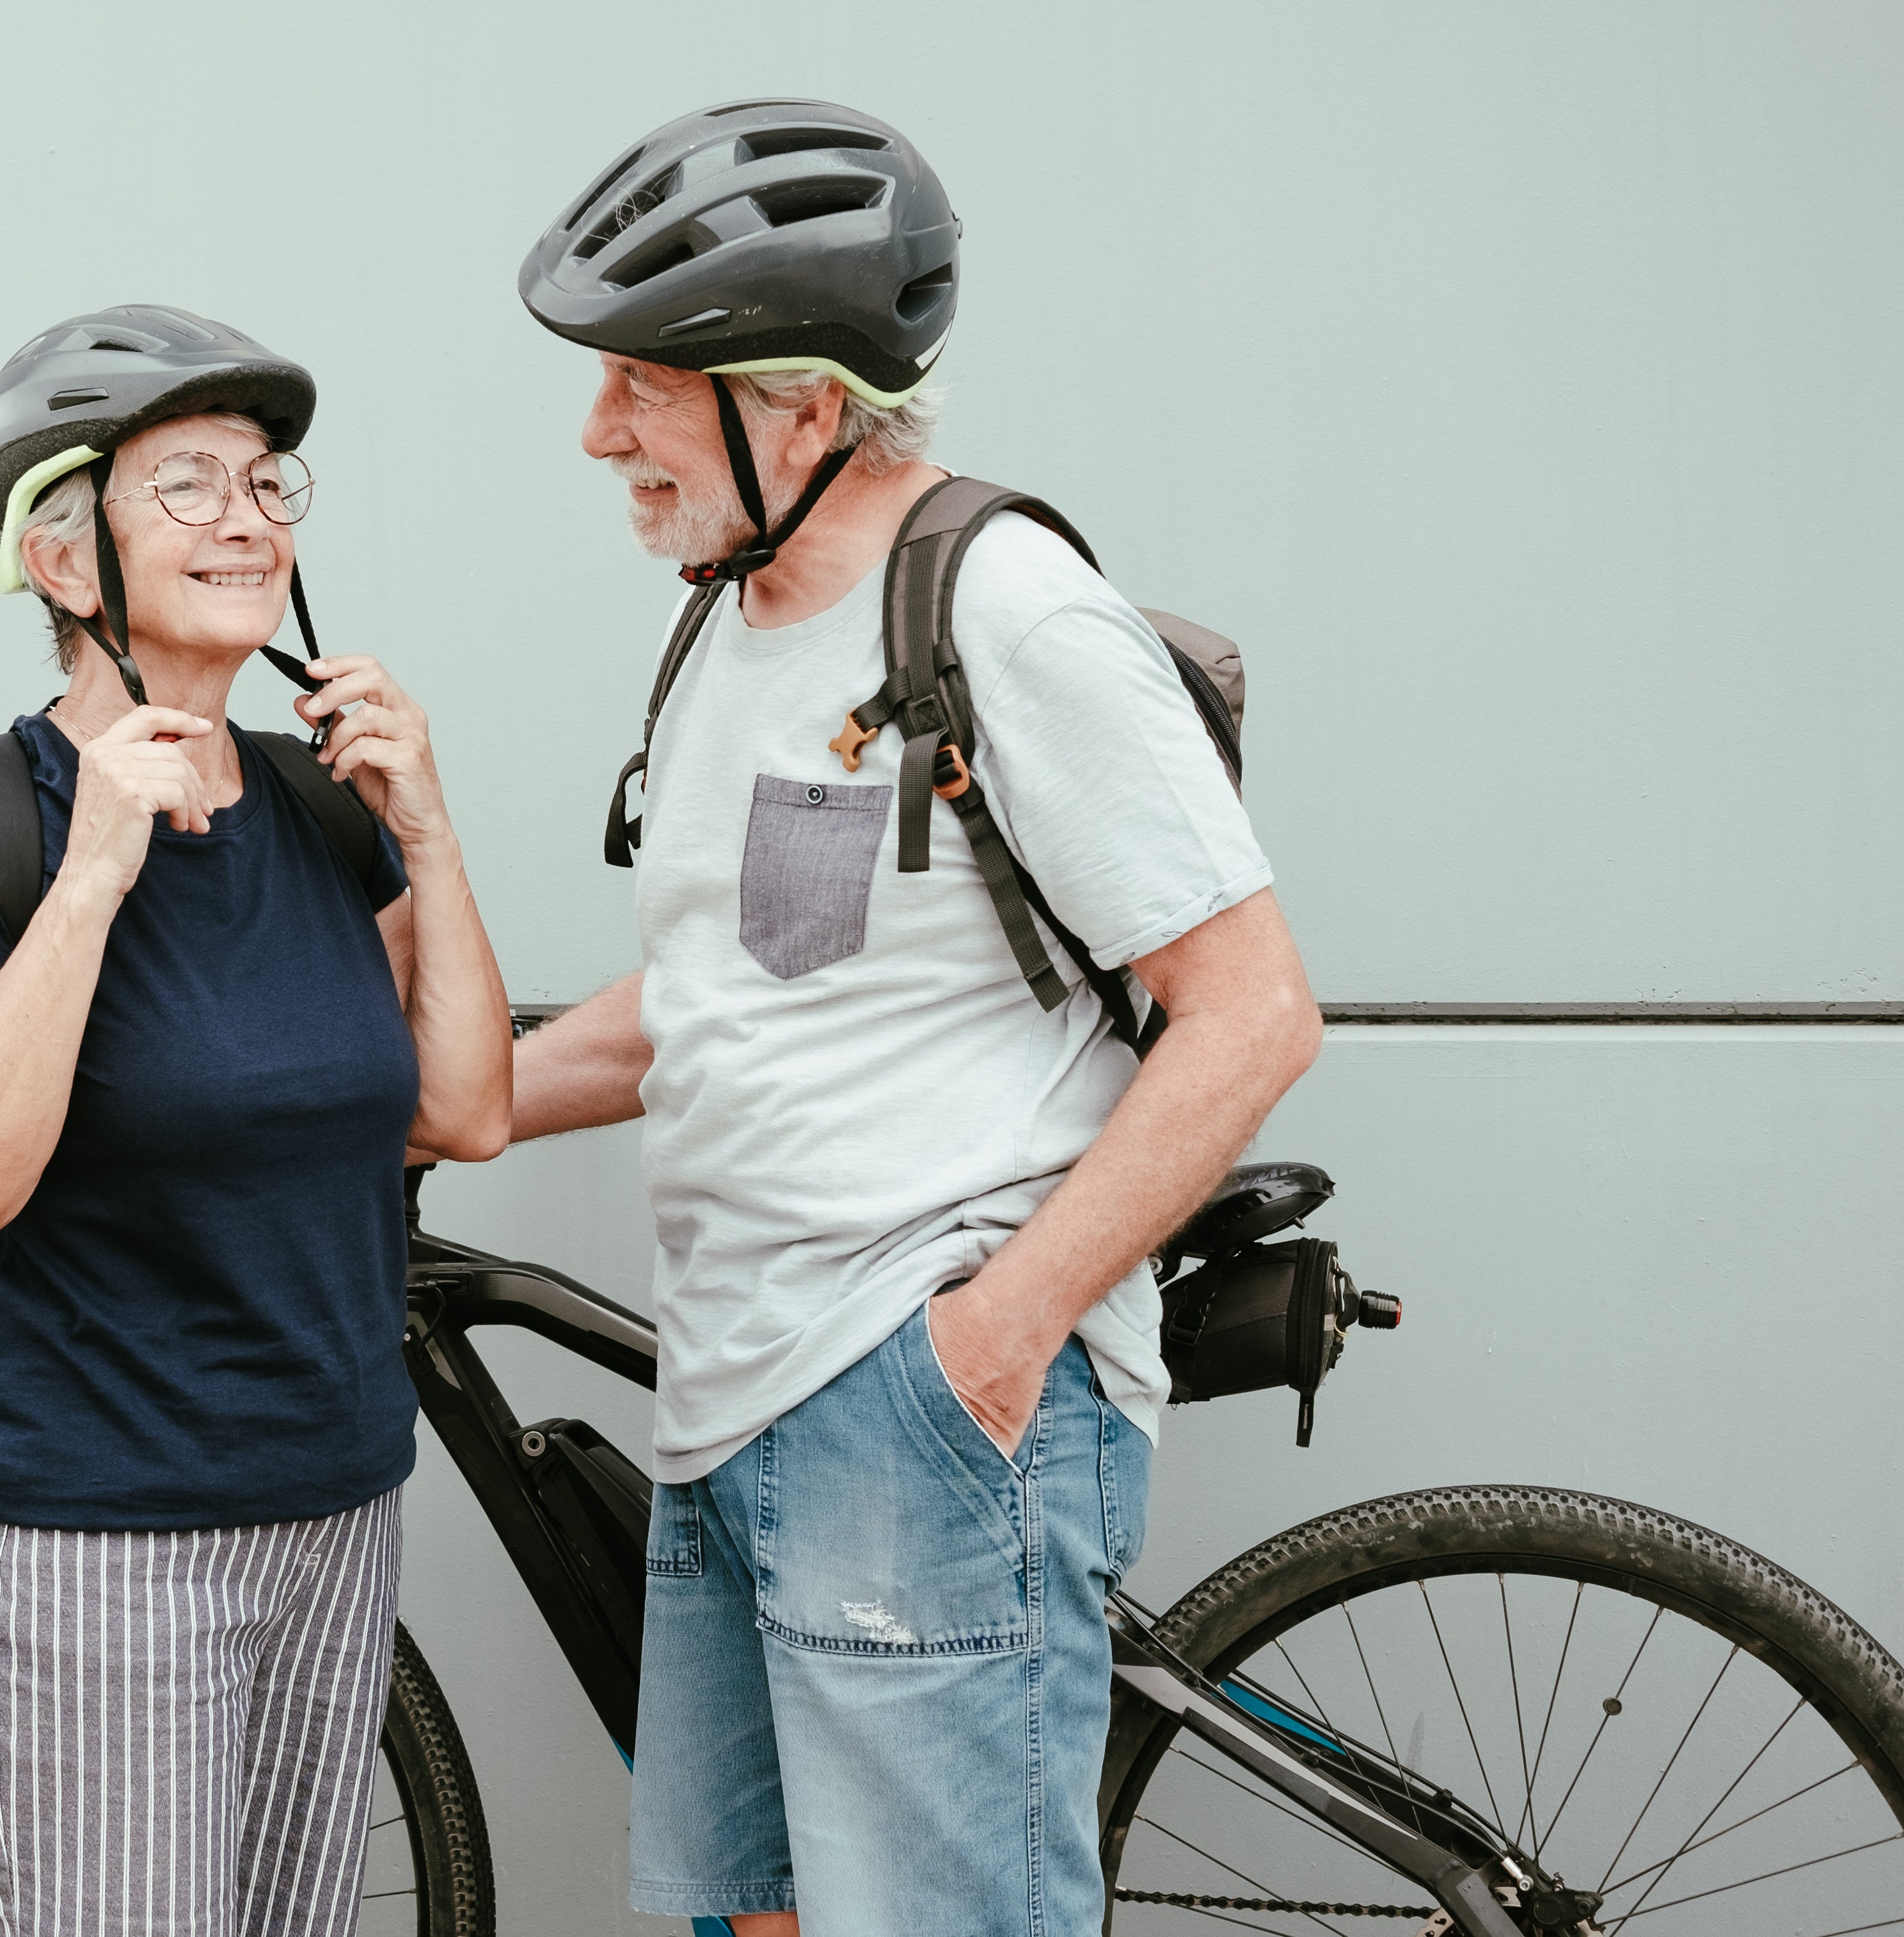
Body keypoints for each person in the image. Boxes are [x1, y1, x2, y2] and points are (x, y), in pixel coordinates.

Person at [509, 104, 1323, 1934]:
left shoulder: (1009, 611)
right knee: (761, 1914)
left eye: (644, 379)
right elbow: (757, 981)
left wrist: (996, 1332)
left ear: (797, 398)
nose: (597, 432)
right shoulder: (737, 624)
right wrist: (438, 1096)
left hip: (914, 1387)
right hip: (733, 1391)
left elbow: (1250, 1011)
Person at [0, 305, 511, 1936]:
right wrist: (91, 870)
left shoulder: (310, 802)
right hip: (94, 1538)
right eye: (191, 483)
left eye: (269, 483)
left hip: (334, 1506)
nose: (248, 518)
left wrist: (425, 832)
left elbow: (467, 1110)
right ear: (66, 560)